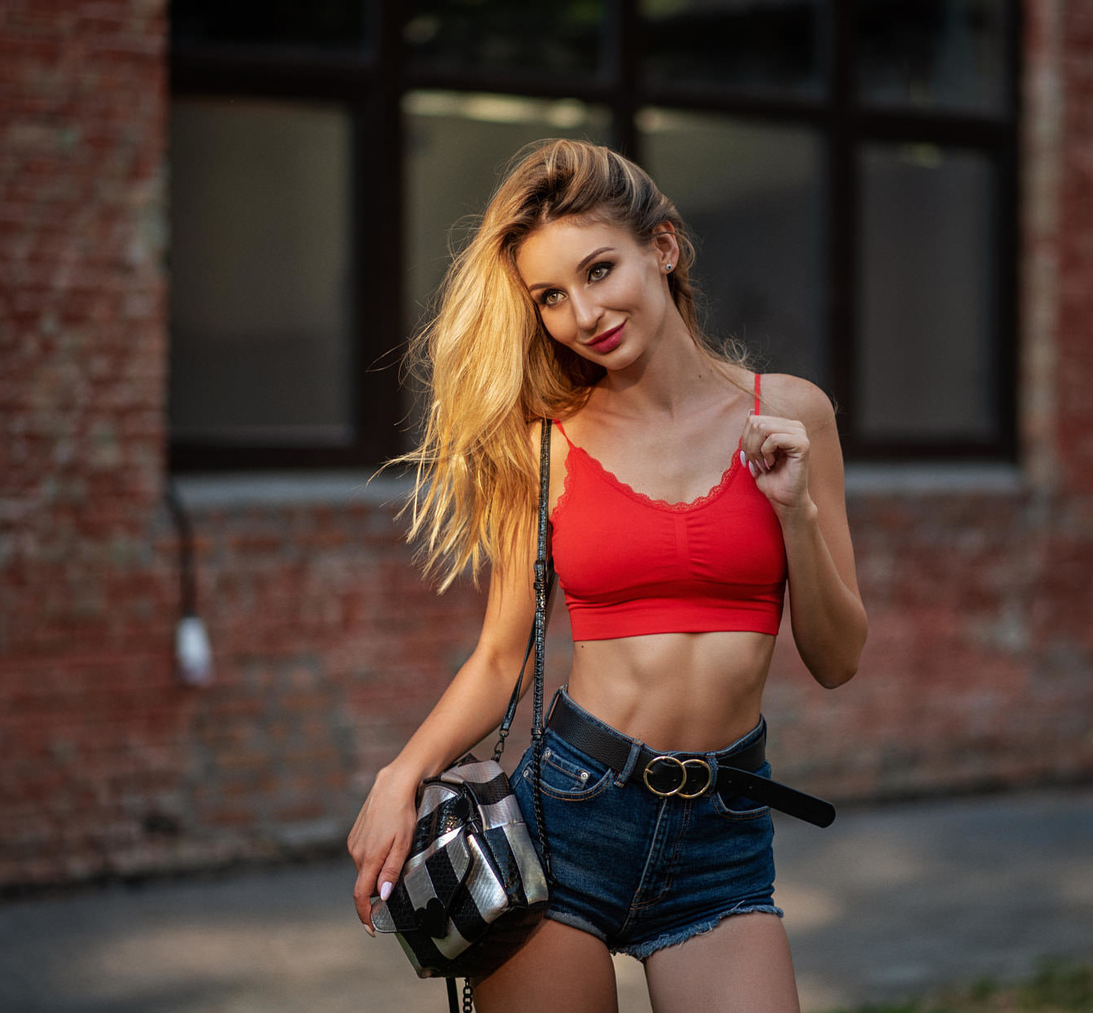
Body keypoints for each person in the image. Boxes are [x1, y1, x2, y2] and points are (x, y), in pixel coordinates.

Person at [348, 138, 866, 1013]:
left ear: (662, 247)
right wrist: (399, 775)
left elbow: (839, 656)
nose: (583, 313)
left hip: (723, 832)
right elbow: (498, 657)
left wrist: (796, 516)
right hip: (568, 819)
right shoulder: (544, 444)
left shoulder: (792, 414)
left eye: (599, 271)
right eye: (551, 296)